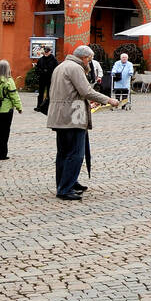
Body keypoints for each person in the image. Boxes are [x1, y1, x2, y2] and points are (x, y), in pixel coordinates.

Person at [47, 45, 118, 200]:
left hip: (61, 115)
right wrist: (108, 99)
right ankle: (65, 188)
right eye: (90, 59)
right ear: (84, 58)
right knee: (76, 154)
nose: (90, 63)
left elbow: (70, 93)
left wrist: (88, 103)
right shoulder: (75, 68)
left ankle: (67, 183)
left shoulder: (61, 66)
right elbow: (86, 91)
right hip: (73, 116)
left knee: (64, 153)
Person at [34, 44, 57, 113]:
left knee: (49, 94)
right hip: (42, 79)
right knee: (40, 93)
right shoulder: (40, 60)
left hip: (50, 79)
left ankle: (48, 107)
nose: (46, 53)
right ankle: (39, 106)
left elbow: (56, 69)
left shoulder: (54, 60)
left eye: (47, 51)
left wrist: (49, 72)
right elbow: (37, 69)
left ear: (50, 51)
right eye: (45, 51)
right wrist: (41, 72)